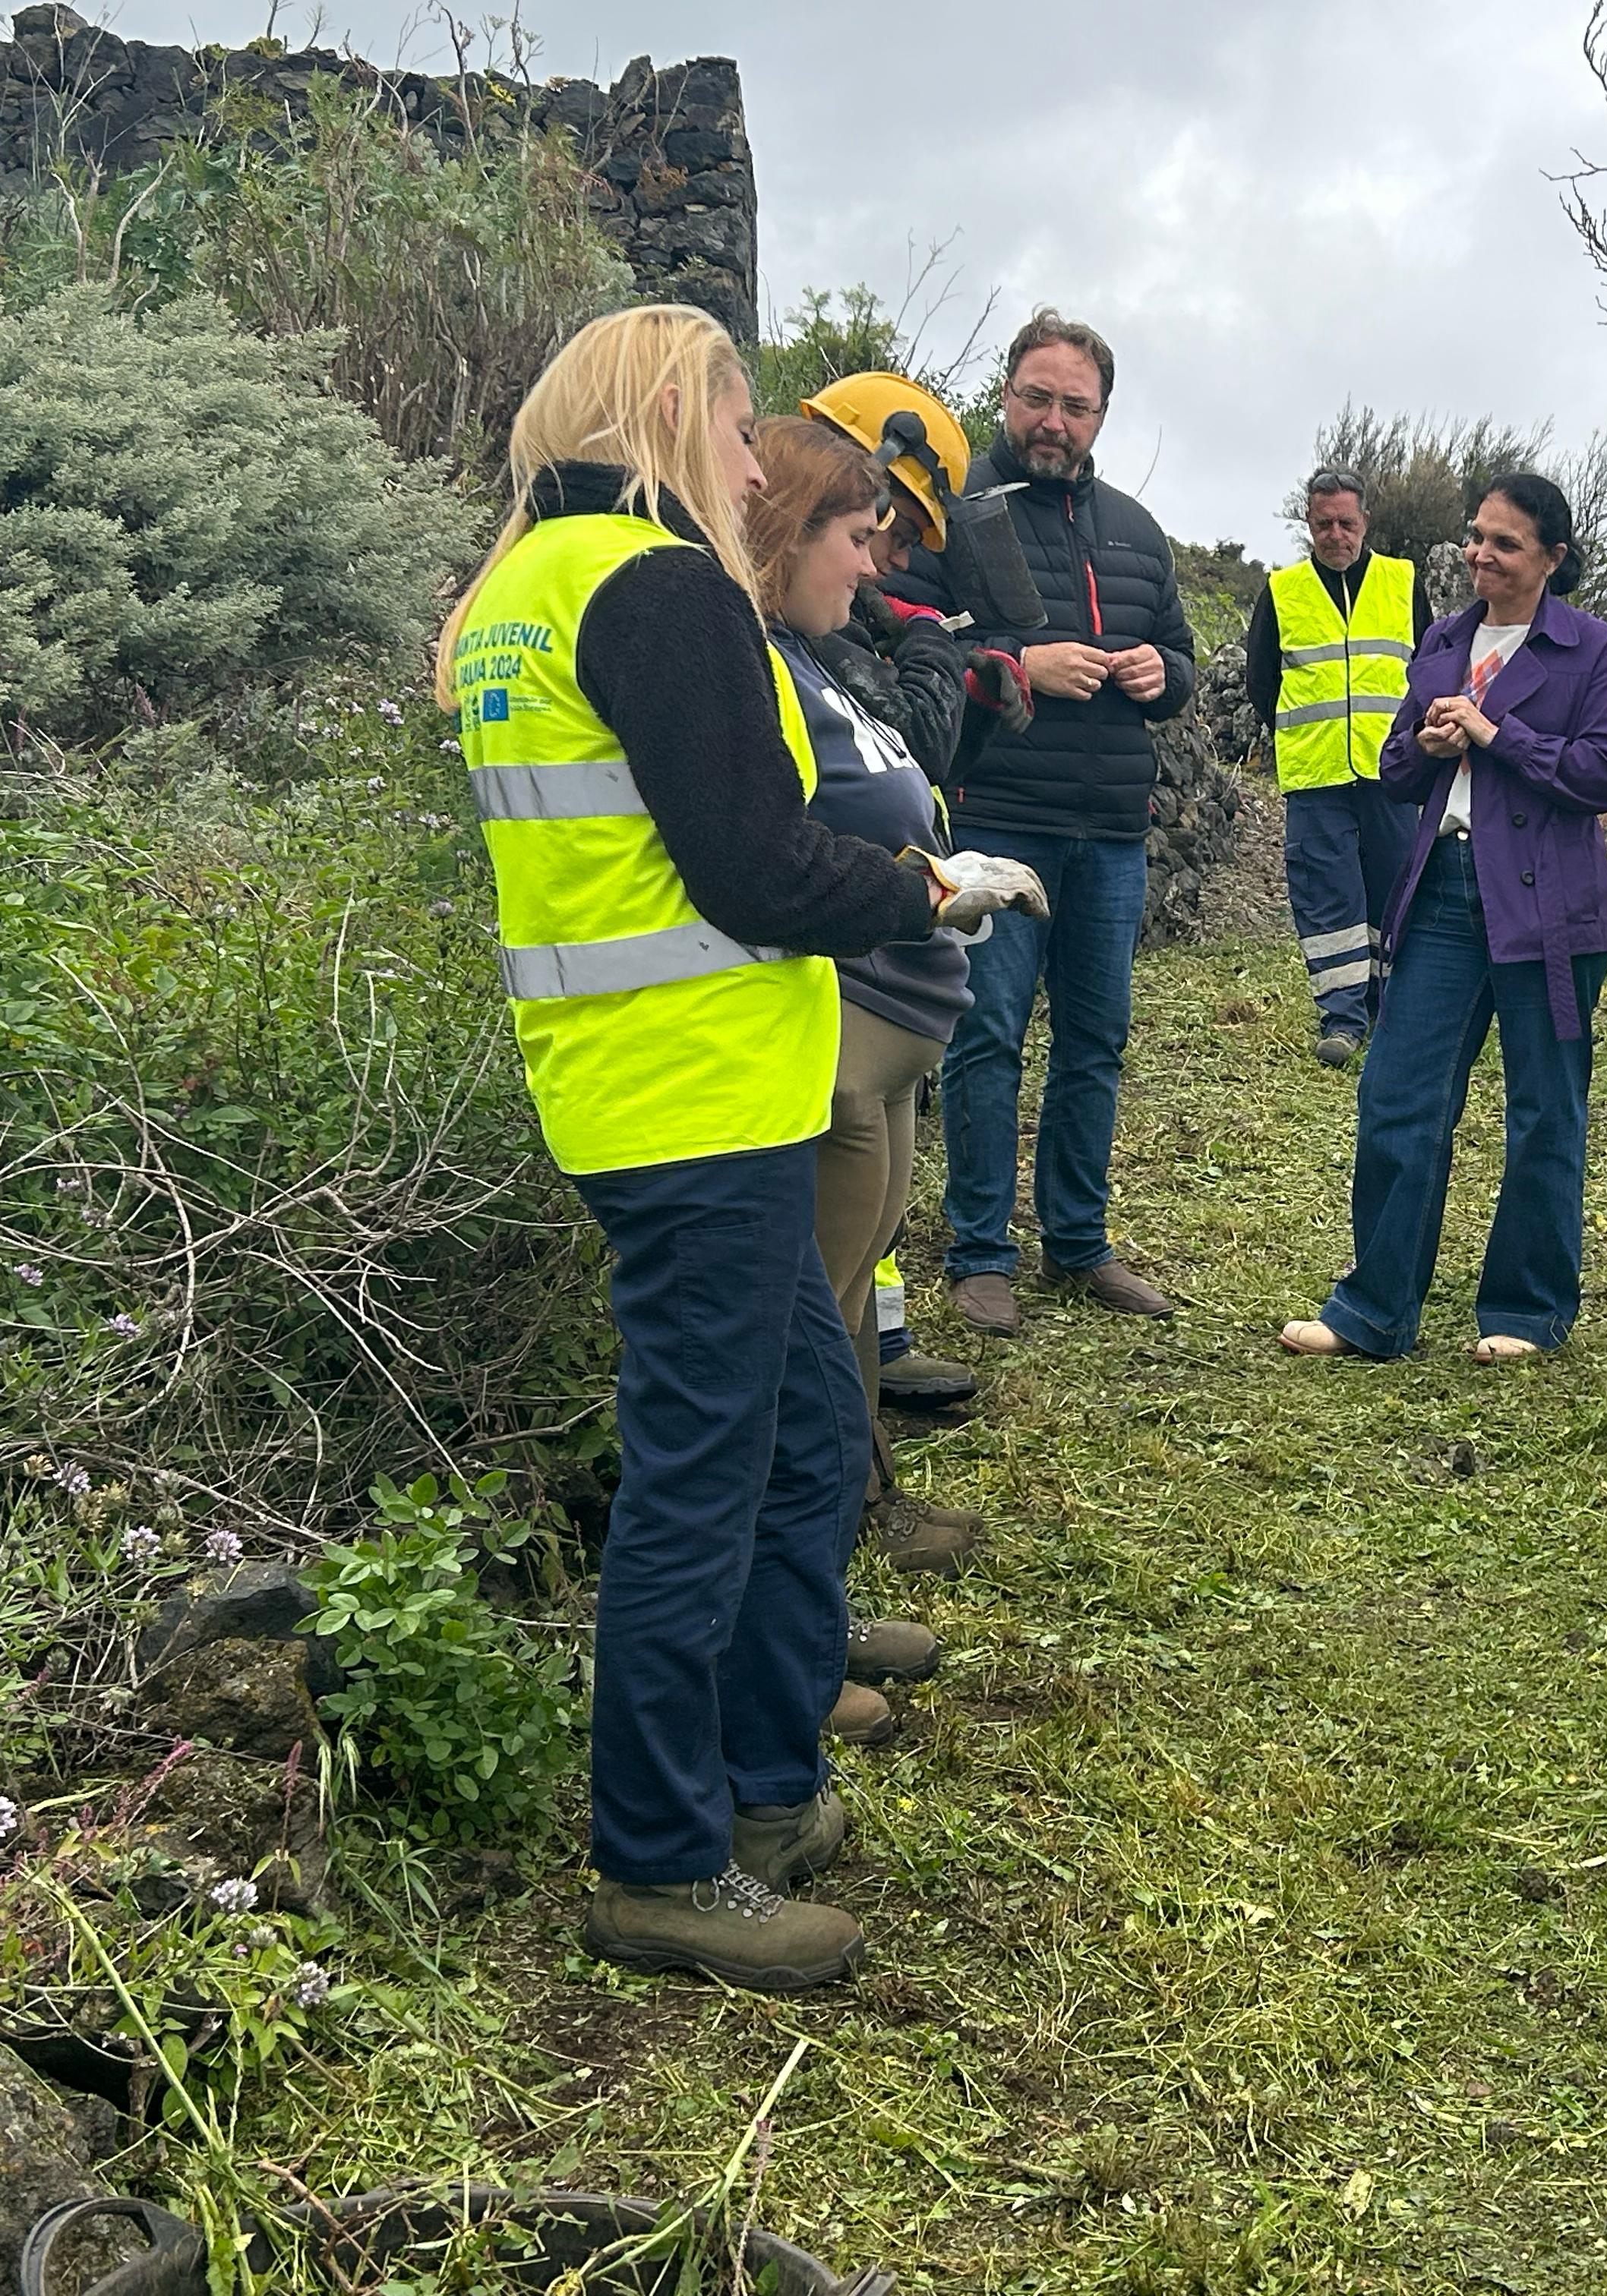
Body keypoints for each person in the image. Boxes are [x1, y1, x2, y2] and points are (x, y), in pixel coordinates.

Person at [440, 304, 1028, 1990]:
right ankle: (662, 1860)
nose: (755, 458)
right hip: (694, 1100)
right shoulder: (656, 582)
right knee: (706, 1478)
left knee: (798, 1429)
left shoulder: (523, 596)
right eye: (730, 419)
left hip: (649, 1090)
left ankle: (768, 1792)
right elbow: (755, 869)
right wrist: (924, 885)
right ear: (659, 417)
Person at [748, 414, 1043, 1710]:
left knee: (853, 1303)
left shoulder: (821, 653)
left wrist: (934, 872)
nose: (880, 567)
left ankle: (834, 1581)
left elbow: (899, 775)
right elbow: (789, 845)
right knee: (811, 1331)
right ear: (788, 530)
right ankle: (794, 1638)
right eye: (863, 538)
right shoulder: (760, 663)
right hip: (842, 1030)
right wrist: (928, 886)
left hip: (889, 1029)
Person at [1276, 475, 1607, 1361]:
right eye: (1477, 537)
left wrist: (1493, 734)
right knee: (1397, 1096)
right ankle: (1373, 1311)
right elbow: (1398, 770)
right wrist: (1425, 746)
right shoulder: (1443, 638)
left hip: (1549, 906)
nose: (1481, 555)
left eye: (1505, 543)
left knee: (1544, 1112)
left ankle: (1526, 1312)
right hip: (1441, 889)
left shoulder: (1594, 650)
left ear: (1553, 558)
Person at [892, 310, 1196, 1332]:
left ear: (1101, 416)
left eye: (1075, 405)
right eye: (1037, 397)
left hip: (1110, 829)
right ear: (1007, 394)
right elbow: (905, 648)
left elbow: (1183, 660)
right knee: (986, 1038)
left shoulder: (1139, 533)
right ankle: (981, 1252)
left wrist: (1164, 677)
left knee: (1096, 1041)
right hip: (996, 818)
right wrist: (1020, 669)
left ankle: (1078, 1243)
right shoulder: (953, 516)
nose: (1053, 420)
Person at [794, 371, 1026, 1414]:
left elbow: (913, 771)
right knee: (820, 1284)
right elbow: (903, 741)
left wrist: (963, 690)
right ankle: (840, 1469)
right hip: (853, 987)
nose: (891, 561)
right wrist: (931, 642)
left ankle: (869, 1399)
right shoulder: (802, 630)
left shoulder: (836, 622)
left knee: (855, 1267)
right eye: (885, 536)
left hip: (896, 988)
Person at [1246, 466, 1430, 1064]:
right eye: (1324, 524)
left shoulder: (1403, 583)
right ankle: (1342, 1019)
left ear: (1365, 522)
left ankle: (1390, 1006)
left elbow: (1429, 669)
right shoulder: (1282, 591)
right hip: (1315, 773)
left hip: (1392, 772)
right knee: (1328, 900)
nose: (1335, 535)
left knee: (1396, 890)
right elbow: (1261, 682)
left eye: (1346, 523)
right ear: (1309, 523)